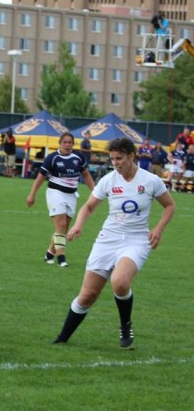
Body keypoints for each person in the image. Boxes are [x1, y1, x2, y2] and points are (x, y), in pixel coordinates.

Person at [53, 138, 175, 349]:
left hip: (136, 240)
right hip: (107, 239)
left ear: (131, 156)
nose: (115, 163)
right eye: (112, 159)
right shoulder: (109, 180)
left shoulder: (151, 180)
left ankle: (125, 325)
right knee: (87, 295)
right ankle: (62, 338)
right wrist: (78, 225)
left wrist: (158, 229)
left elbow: (169, 206)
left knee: (119, 282)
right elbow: (89, 206)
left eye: (119, 158)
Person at [26, 133, 95, 268]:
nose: (67, 145)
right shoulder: (52, 158)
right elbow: (40, 178)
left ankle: (49, 254)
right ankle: (61, 258)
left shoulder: (78, 157)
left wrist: (95, 191)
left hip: (72, 195)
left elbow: (86, 175)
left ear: (73, 144)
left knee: (62, 229)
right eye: (65, 142)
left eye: (70, 142)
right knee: (61, 226)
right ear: (60, 143)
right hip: (55, 193)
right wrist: (31, 195)